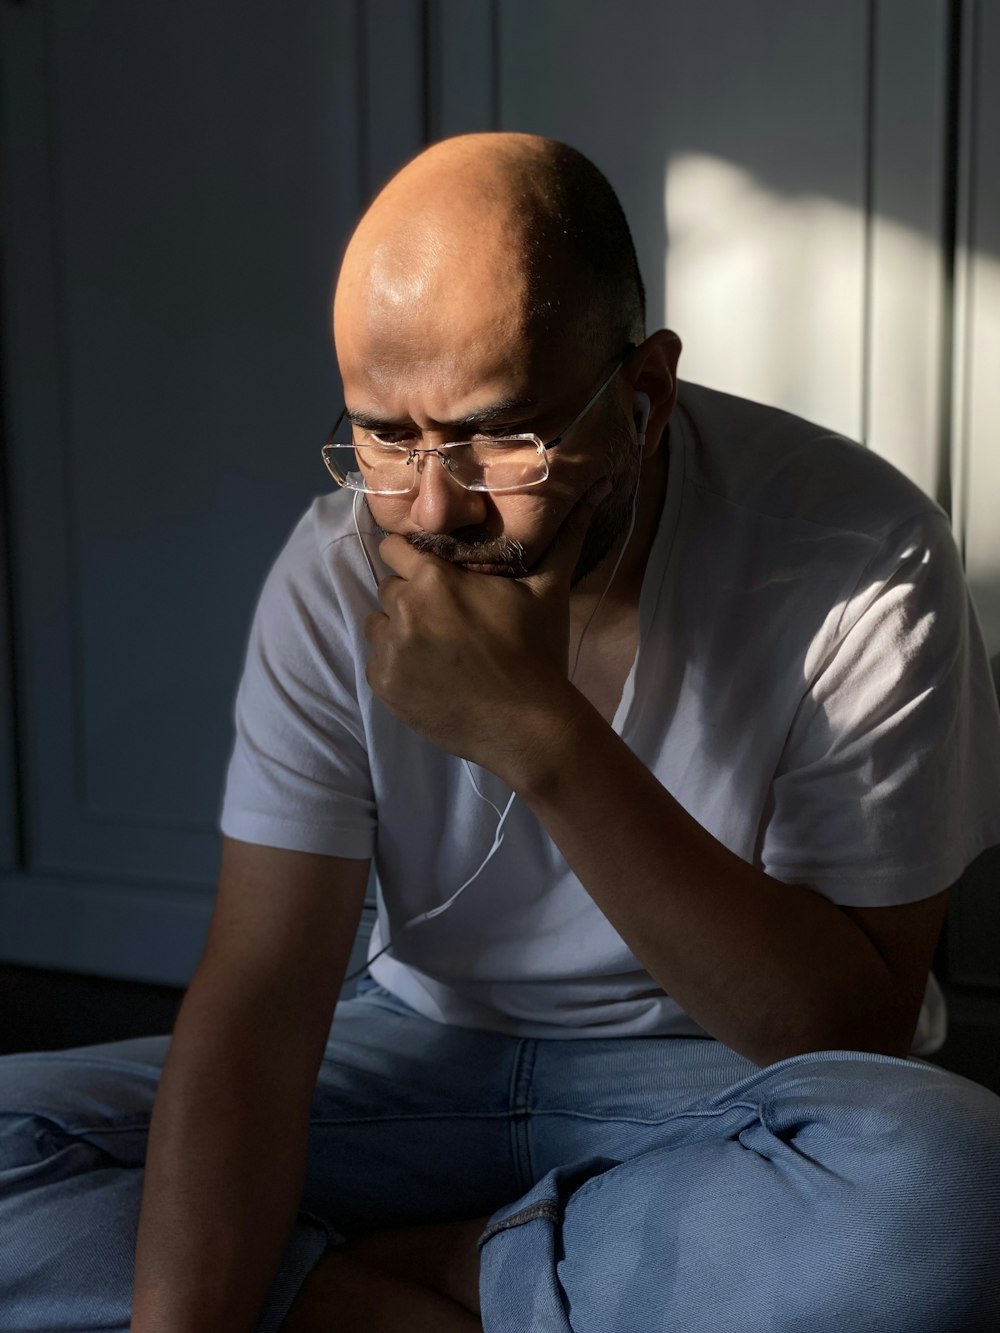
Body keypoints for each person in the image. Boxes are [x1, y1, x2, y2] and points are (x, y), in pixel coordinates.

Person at [2, 132, 1000, 1333]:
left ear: (644, 396)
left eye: (498, 435)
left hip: (714, 1093)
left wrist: (546, 738)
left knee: (950, 1189)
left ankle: (440, 1265)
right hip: (413, 1061)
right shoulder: (334, 575)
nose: (432, 506)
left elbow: (849, 1031)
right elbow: (264, 997)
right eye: (383, 436)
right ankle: (470, 1293)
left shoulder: (858, 555)